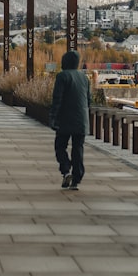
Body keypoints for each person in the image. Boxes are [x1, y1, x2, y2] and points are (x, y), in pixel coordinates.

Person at [49, 50, 91, 191]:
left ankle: (66, 170)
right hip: (81, 119)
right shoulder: (84, 78)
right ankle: (76, 179)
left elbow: (57, 99)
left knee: (60, 146)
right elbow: (88, 100)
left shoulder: (62, 76)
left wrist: (53, 117)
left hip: (65, 119)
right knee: (78, 148)